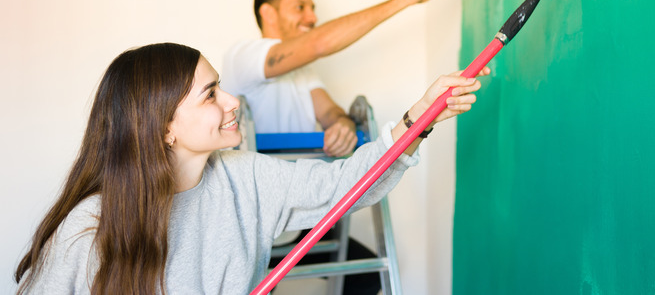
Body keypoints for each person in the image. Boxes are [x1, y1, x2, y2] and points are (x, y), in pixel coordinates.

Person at [14, 42, 487, 294]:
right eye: (210, 94)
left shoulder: (245, 178)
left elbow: (347, 185)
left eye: (221, 86)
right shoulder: (89, 230)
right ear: (163, 129)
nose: (233, 101)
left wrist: (418, 118)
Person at [221, 0, 458, 157]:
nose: (312, 18)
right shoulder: (243, 56)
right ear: (268, 13)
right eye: (299, 8)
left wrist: (342, 124)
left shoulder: (302, 70)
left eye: (312, 9)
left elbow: (329, 112)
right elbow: (318, 44)